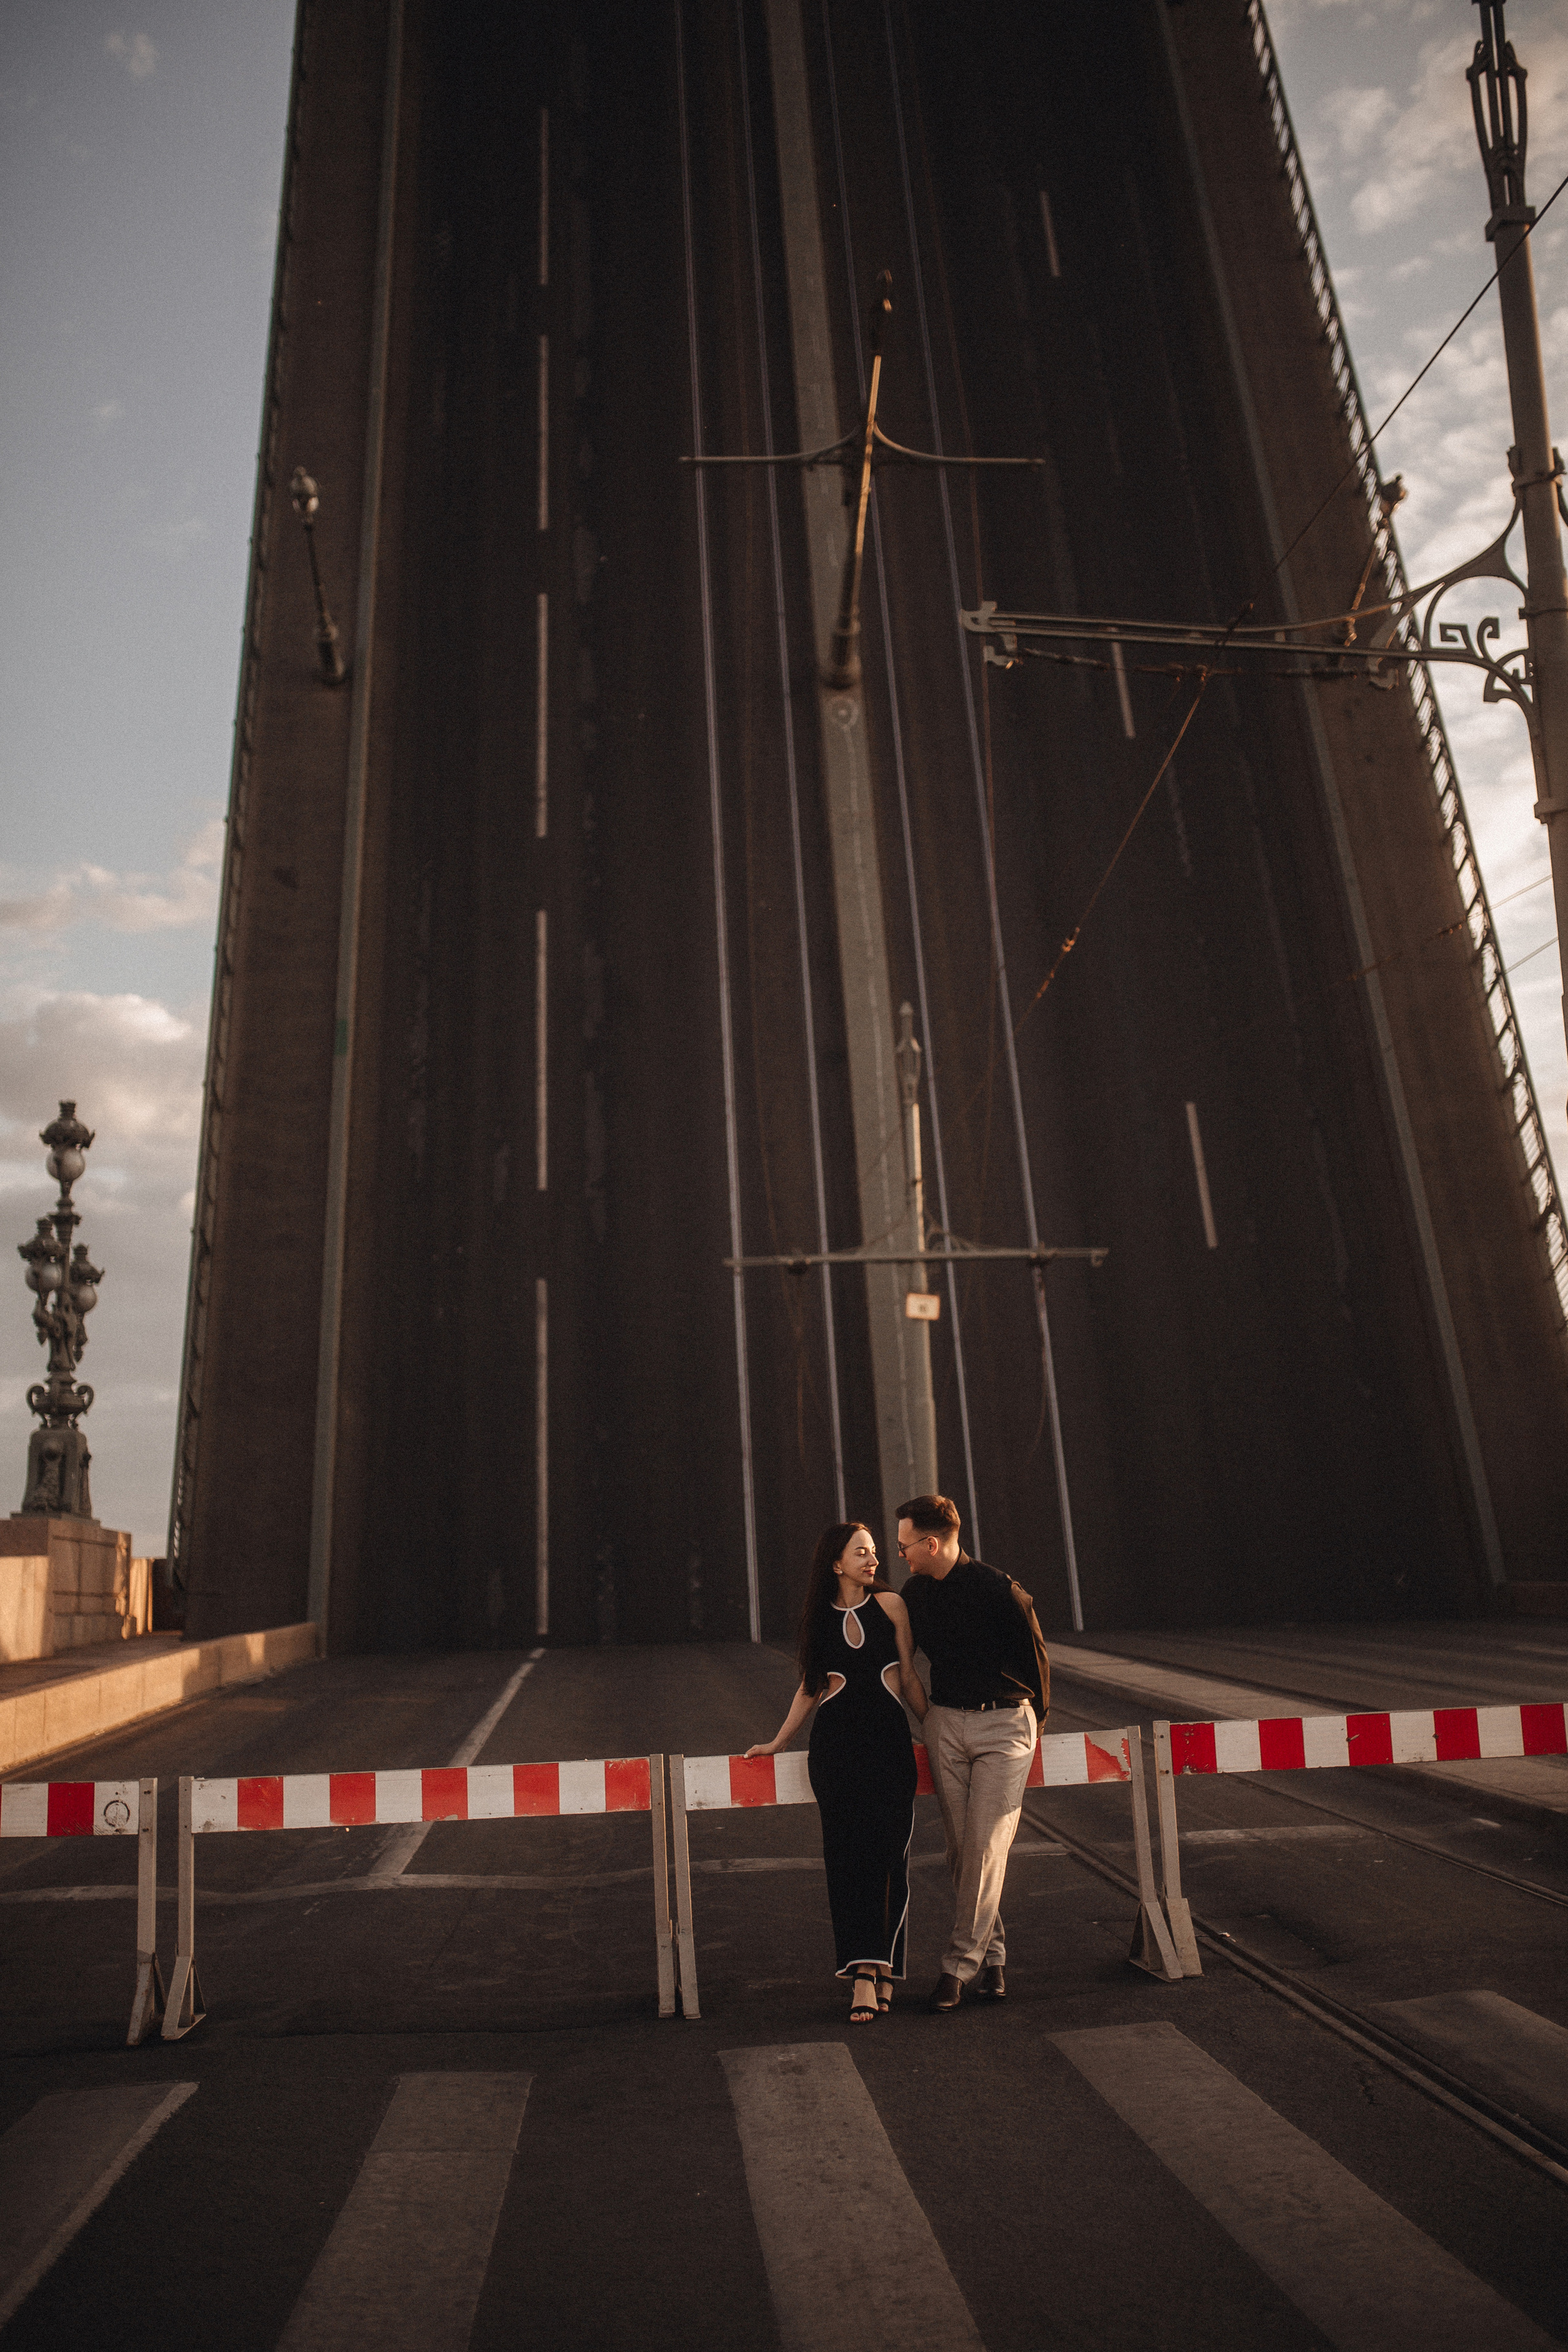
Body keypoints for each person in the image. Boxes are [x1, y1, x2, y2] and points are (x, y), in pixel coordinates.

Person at [746, 1521, 928, 2021]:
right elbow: (810, 1688)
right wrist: (779, 1741)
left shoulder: (892, 1606)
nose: (873, 1560)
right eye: (861, 1553)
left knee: (890, 1856)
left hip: (890, 1748)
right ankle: (864, 1973)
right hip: (836, 1753)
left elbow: (910, 1678)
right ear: (836, 1564)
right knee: (847, 1861)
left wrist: (937, 1733)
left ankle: (885, 1966)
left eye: (874, 1551)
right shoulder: (818, 1620)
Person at [897, 1493, 1042, 2013]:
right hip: (946, 1724)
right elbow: (903, 1662)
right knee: (964, 1850)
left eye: (905, 1545)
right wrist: (931, 1721)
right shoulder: (915, 1594)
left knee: (983, 1848)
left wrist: (1032, 1724)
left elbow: (1037, 1662)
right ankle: (994, 1957)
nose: (900, 1554)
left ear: (931, 1544)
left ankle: (957, 1967)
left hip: (1004, 1726)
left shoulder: (1000, 1589)